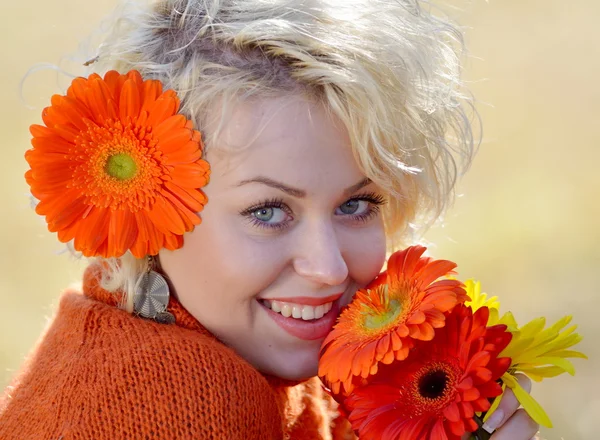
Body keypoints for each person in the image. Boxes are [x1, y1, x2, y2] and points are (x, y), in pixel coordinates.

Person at [0, 0, 541, 438]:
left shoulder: (258, 355)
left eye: (357, 204)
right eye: (268, 212)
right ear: (145, 207)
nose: (328, 268)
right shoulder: (172, 398)